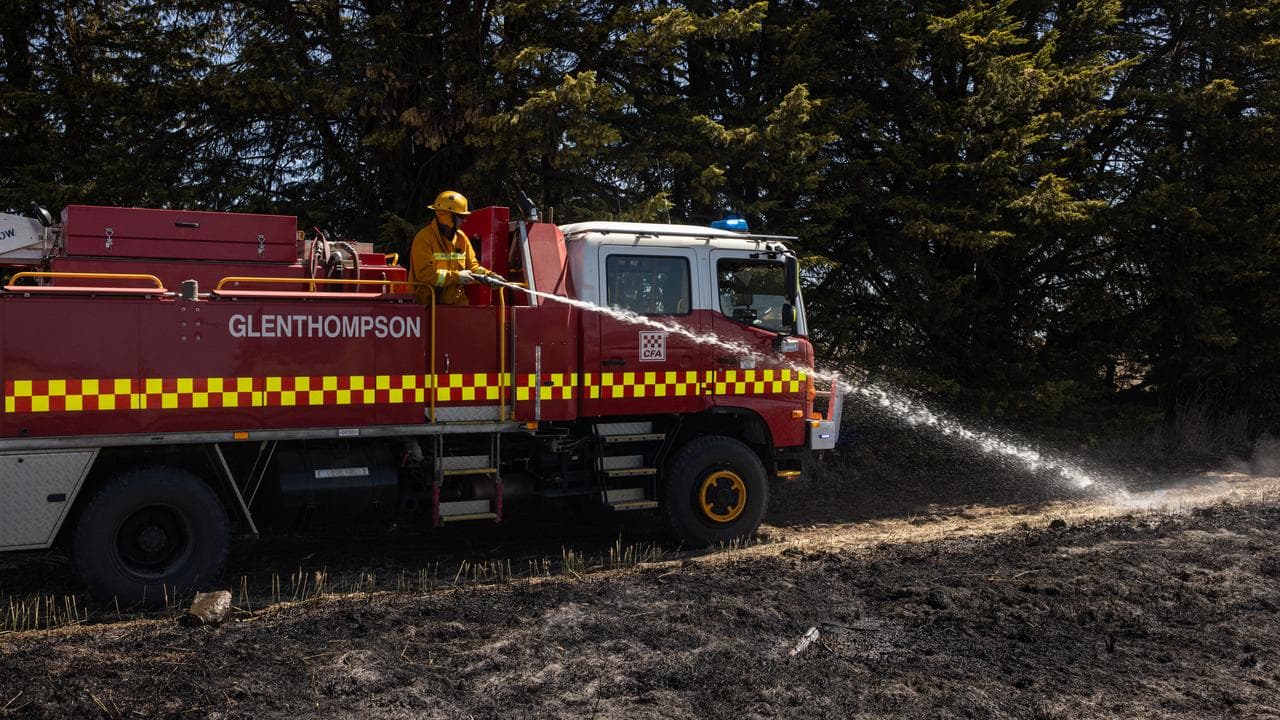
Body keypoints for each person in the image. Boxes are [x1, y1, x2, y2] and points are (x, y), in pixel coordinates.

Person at [410, 190, 500, 305]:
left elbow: (472, 267)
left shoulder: (461, 238)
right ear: (447, 215)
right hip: (428, 307)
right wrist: (457, 276)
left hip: (457, 306)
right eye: (461, 217)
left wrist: (490, 276)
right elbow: (425, 274)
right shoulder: (424, 239)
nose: (465, 220)